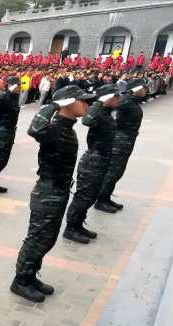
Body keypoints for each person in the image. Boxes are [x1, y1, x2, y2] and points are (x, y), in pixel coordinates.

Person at [11, 86, 95, 303]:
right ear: (67, 102)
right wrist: (54, 105)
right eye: (82, 100)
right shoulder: (54, 128)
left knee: (47, 239)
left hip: (59, 191)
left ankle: (30, 276)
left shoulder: (68, 128)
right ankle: (20, 281)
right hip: (47, 192)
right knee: (36, 239)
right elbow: (34, 130)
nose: (87, 103)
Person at [63, 85, 120, 243]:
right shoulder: (98, 112)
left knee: (90, 197)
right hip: (93, 162)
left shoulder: (107, 113)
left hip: (102, 160)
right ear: (105, 98)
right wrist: (98, 102)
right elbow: (87, 120)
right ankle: (71, 228)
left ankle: (78, 224)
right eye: (114, 96)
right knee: (83, 197)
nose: (118, 98)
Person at [95, 78, 148, 212]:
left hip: (127, 140)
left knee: (118, 171)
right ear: (136, 89)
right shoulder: (126, 99)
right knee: (113, 171)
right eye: (144, 87)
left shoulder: (132, 101)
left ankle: (106, 197)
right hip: (120, 141)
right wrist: (124, 93)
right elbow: (110, 104)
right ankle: (100, 200)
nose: (147, 89)